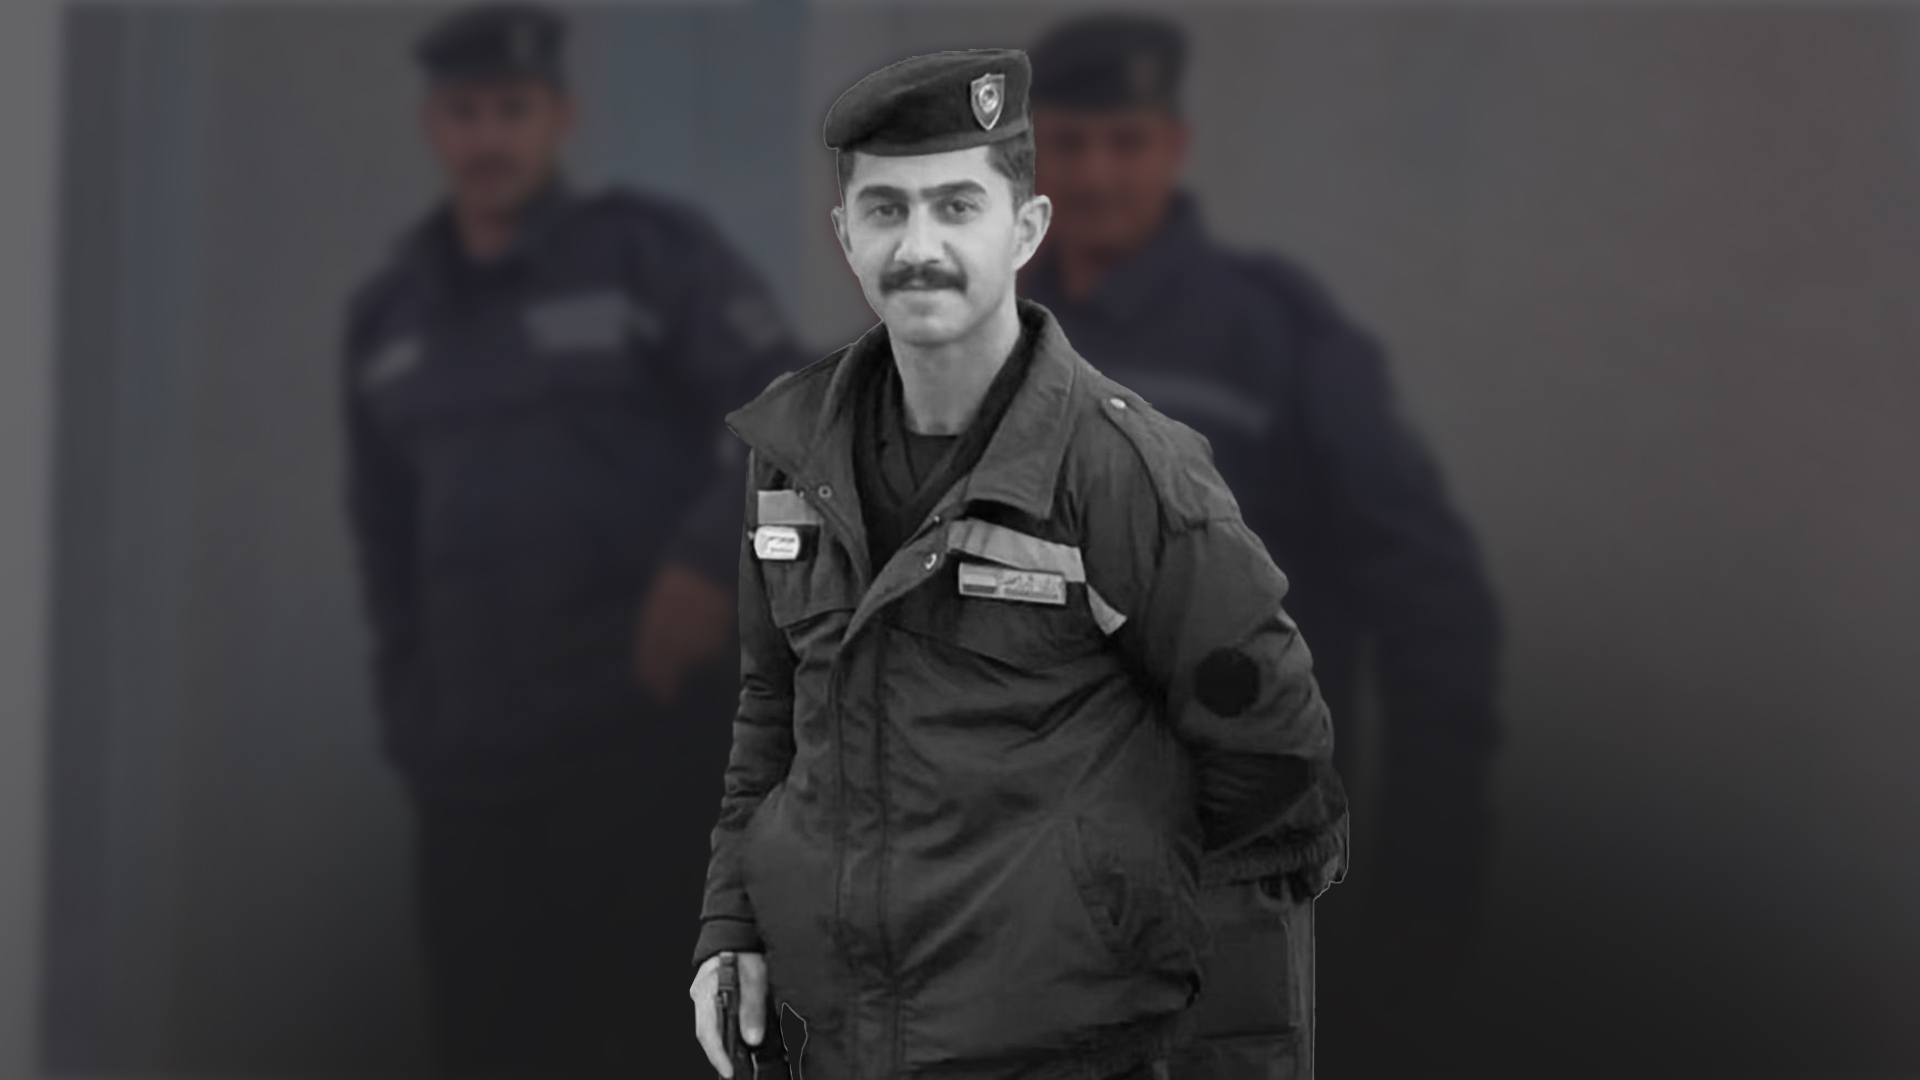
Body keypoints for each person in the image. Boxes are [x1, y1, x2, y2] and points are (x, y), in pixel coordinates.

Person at [685, 49, 1348, 1080]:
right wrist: (733, 927)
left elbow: (1275, 758)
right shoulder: (792, 457)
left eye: (957, 207)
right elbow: (774, 710)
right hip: (847, 1047)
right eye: (887, 211)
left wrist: (1129, 940)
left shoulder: (1125, 472)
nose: (919, 247)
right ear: (845, 234)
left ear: (1026, 229)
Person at [1021, 14, 1505, 1078]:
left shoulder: (1276, 340)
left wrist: (1424, 901)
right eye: (1070, 143)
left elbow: (1434, 609)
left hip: (1221, 903)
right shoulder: (982, 338)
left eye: (1126, 142)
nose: (1097, 174)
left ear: (1174, 148)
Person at [339, 4, 803, 1075]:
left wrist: (705, 560)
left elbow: (788, 409)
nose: (488, 137)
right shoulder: (390, 317)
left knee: (660, 1048)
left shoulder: (646, 259)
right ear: (434, 126)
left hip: (641, 762)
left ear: (561, 118)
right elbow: (383, 536)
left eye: (513, 110)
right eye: (467, 113)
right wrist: (414, 715)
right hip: (473, 791)